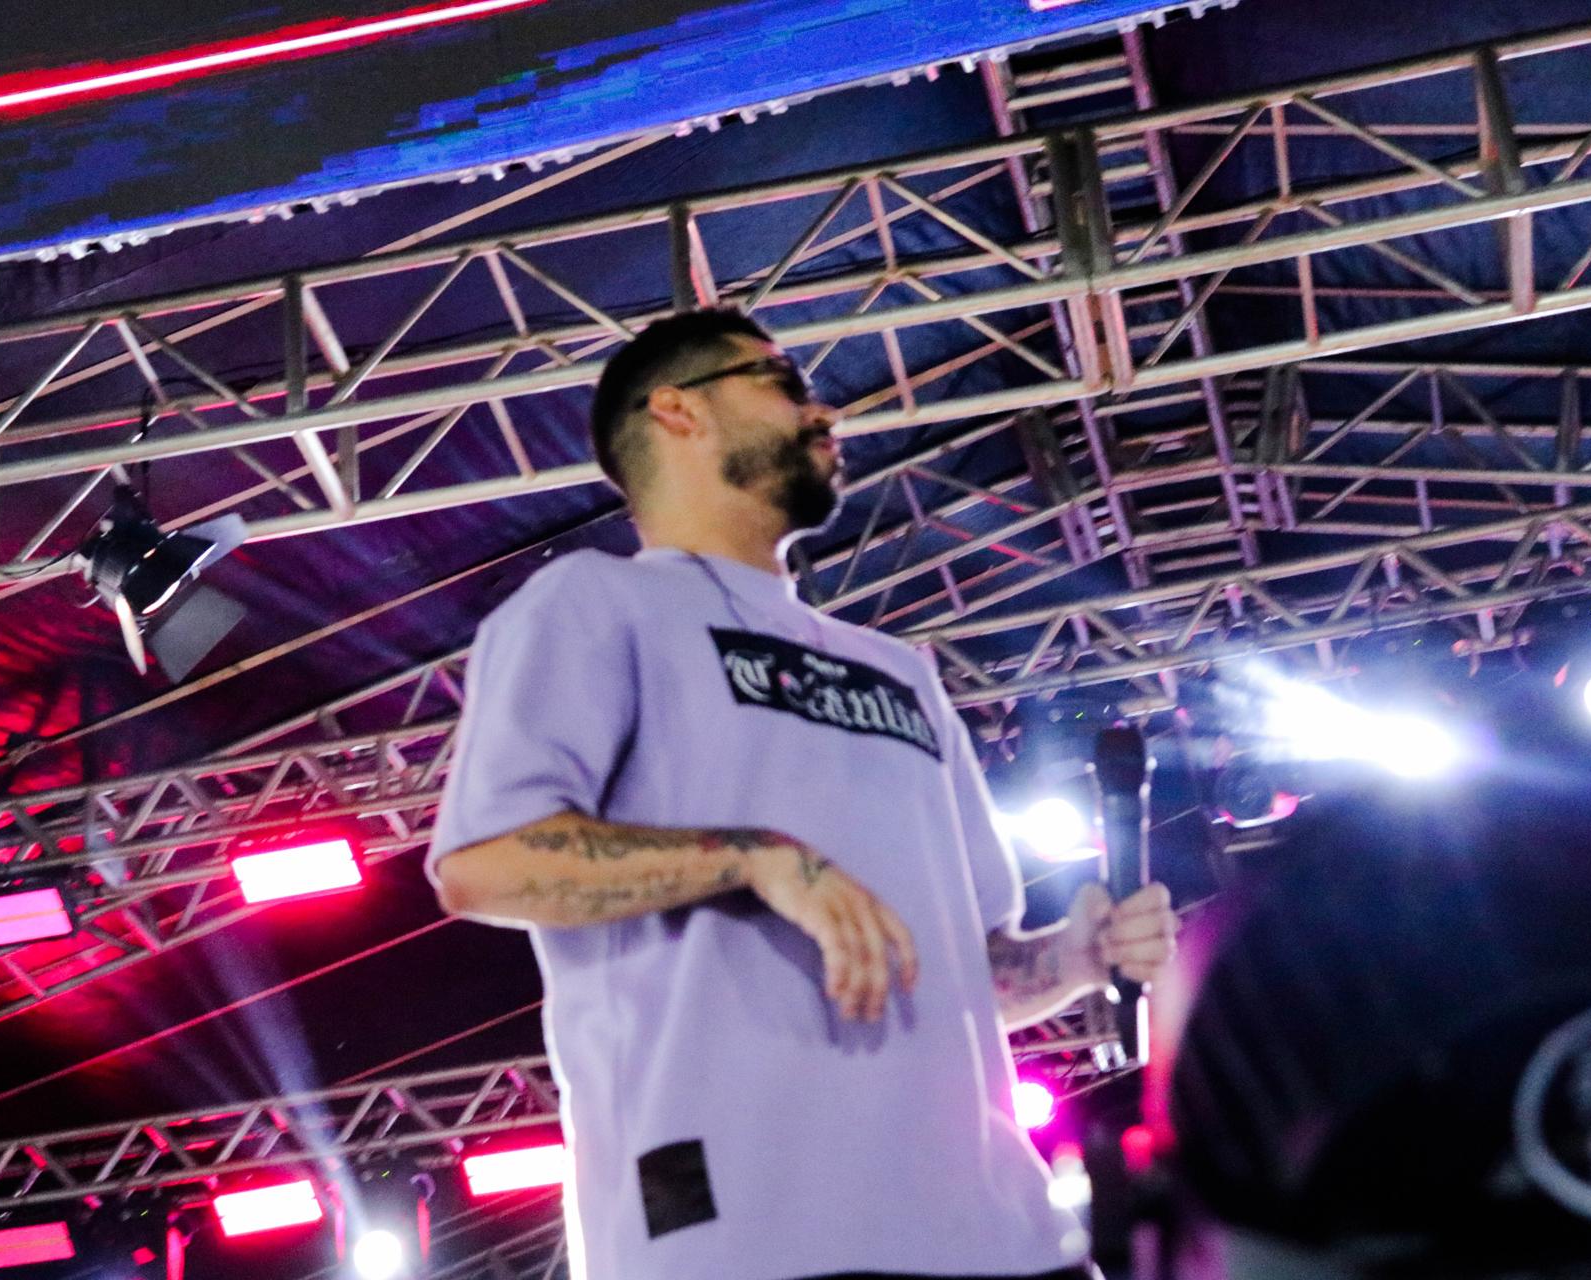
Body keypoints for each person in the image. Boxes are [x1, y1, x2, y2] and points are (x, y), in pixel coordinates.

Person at [426, 308, 1178, 1280]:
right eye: (783, 382)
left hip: (1001, 1233)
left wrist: (1071, 958)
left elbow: (972, 974)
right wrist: (758, 857)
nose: (824, 412)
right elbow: (485, 865)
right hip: (743, 1236)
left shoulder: (902, 671)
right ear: (678, 411)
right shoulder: (592, 603)